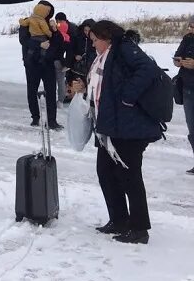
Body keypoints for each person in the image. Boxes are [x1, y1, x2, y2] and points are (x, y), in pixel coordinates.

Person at [69, 20, 162, 244]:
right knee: (106, 173)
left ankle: (139, 229)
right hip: (109, 127)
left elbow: (148, 69)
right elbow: (102, 82)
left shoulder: (124, 48)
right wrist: (83, 85)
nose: (92, 45)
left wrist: (128, 96)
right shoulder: (103, 56)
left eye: (94, 40)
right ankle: (119, 220)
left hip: (129, 128)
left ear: (107, 37)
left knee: (130, 177)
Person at [18, 0, 64, 129]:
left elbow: (58, 42)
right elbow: (23, 40)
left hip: (48, 62)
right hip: (32, 61)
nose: (48, 13)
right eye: (47, 10)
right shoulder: (28, 22)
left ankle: (51, 120)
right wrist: (39, 45)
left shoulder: (49, 24)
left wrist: (55, 31)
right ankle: (35, 117)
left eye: (50, 12)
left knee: (51, 91)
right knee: (32, 90)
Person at [174, 16, 194, 175]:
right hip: (188, 88)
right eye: (190, 26)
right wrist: (179, 61)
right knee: (192, 127)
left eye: (193, 27)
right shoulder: (187, 39)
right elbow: (177, 56)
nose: (190, 29)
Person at [54, 12, 74, 103]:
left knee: (51, 81)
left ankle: (51, 98)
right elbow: (69, 50)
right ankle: (60, 101)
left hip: (52, 59)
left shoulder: (55, 29)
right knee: (61, 82)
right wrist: (67, 63)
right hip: (61, 61)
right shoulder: (68, 34)